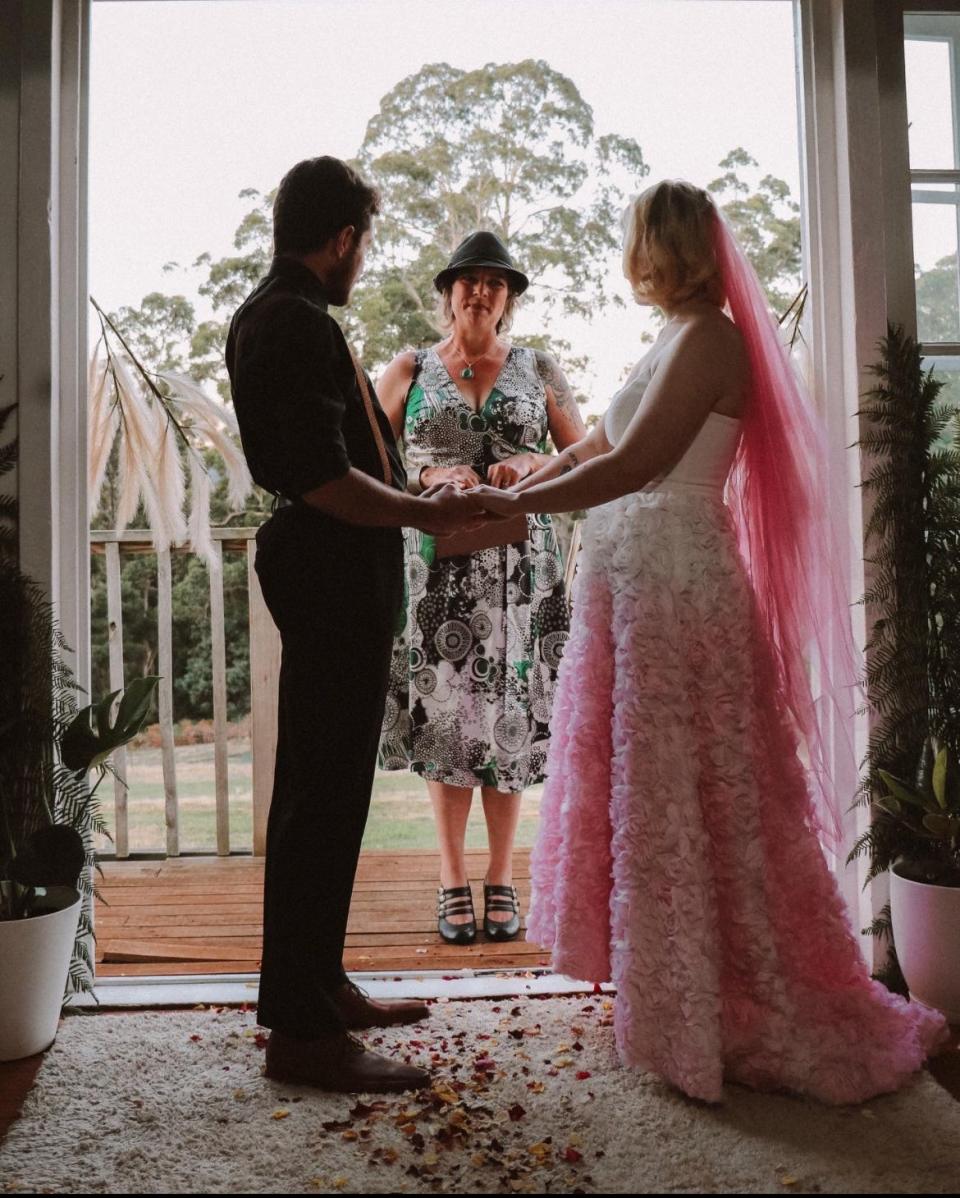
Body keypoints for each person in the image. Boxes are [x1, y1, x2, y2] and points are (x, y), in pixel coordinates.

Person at [469, 180, 948, 1104]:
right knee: (658, 789)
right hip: (640, 582)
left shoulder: (711, 339)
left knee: (697, 791)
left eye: (636, 243)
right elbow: (597, 445)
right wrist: (526, 476)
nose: (630, 260)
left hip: (677, 587)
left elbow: (638, 464)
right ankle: (670, 995)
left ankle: (719, 1000)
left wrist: (514, 505)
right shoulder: (674, 337)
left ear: (663, 247)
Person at [226, 156, 483, 1092]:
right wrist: (424, 515)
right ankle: (301, 1035)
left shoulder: (289, 317)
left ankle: (321, 985)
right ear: (340, 239)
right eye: (363, 245)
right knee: (317, 800)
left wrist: (412, 495)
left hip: (339, 577)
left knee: (330, 794)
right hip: (329, 578)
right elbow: (322, 480)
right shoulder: (290, 321)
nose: (362, 262)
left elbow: (340, 457)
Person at [376, 231, 586, 944]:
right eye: (469, 280)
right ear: (448, 292)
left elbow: (586, 455)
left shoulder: (539, 369)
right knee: (446, 719)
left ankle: (501, 877)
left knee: (509, 719)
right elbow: (368, 463)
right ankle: (449, 878)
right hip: (437, 569)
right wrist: (429, 476)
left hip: (521, 573)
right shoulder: (407, 369)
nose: (480, 292)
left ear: (510, 299)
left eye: (496, 283)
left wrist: (533, 461)